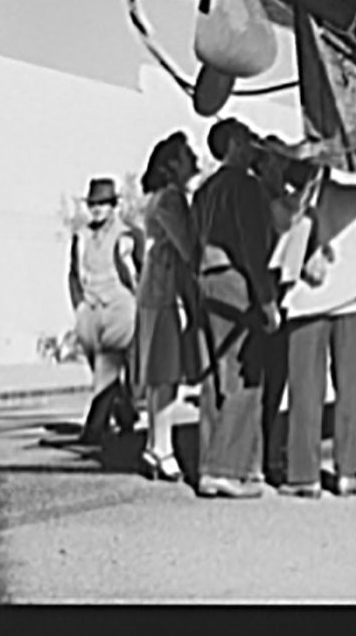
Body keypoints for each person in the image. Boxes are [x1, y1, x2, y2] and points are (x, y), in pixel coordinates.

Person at [189, 118, 282, 499]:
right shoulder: (246, 187)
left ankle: (230, 464)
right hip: (235, 283)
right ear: (232, 144)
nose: (252, 146)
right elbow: (253, 248)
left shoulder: (203, 191)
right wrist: (267, 300)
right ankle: (226, 468)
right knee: (246, 375)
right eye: (246, 139)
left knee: (213, 379)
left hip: (204, 281)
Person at [277, 171, 356, 499]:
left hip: (305, 301)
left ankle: (303, 475)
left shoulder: (287, 204)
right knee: (355, 387)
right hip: (354, 300)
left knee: (305, 389)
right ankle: (349, 471)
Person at [136, 132, 200, 482]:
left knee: (161, 375)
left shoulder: (159, 198)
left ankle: (154, 445)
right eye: (186, 155)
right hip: (167, 292)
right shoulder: (172, 199)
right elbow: (188, 247)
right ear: (172, 164)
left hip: (156, 290)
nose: (193, 160)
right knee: (166, 374)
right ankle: (163, 447)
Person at [65, 177, 139, 446]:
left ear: (113, 206)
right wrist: (79, 305)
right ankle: (125, 413)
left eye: (103, 203)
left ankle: (93, 429)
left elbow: (140, 270)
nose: (97, 208)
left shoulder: (127, 235)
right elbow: (72, 274)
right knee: (98, 367)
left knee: (107, 367)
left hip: (120, 306)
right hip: (90, 308)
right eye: (93, 203)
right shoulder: (81, 237)